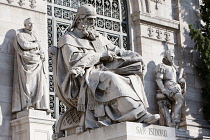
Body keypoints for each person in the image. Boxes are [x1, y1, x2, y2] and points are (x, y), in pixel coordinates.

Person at [55, 4, 159, 133]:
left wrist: (133, 56)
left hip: (104, 70)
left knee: (133, 77)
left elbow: (117, 50)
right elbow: (73, 60)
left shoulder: (98, 38)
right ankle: (137, 114)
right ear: (79, 20)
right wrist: (101, 55)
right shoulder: (68, 38)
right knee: (110, 78)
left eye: (93, 19)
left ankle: (136, 113)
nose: (92, 23)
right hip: (84, 76)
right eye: (89, 19)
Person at [12, 18, 50, 113]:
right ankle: (28, 104)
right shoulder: (20, 35)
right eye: (29, 24)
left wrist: (42, 54)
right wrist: (36, 44)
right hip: (27, 64)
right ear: (25, 25)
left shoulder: (35, 36)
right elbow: (25, 45)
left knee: (40, 84)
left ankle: (40, 105)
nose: (32, 25)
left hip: (38, 62)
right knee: (29, 84)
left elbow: (41, 49)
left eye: (32, 23)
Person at [155, 49, 186, 128]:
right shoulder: (162, 66)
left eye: (173, 57)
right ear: (167, 56)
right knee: (180, 100)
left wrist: (182, 81)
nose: (172, 58)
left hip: (176, 87)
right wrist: (163, 89)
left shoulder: (174, 67)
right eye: (171, 56)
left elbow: (177, 79)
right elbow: (159, 79)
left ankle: (174, 119)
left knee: (177, 102)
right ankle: (175, 118)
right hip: (168, 87)